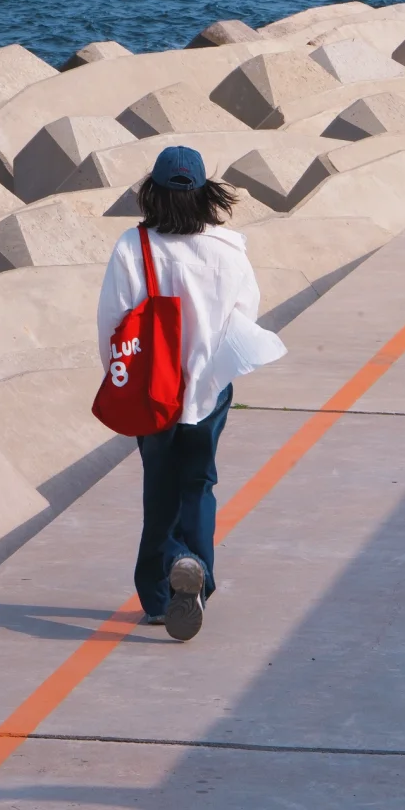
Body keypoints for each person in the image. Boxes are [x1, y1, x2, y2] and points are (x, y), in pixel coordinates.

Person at [97, 144, 287, 642]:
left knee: (158, 489)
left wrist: (121, 379)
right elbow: (245, 313)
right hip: (208, 389)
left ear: (152, 192)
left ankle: (161, 594)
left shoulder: (133, 247)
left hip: (153, 391)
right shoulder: (229, 250)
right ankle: (197, 575)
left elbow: (113, 323)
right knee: (199, 483)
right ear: (205, 193)